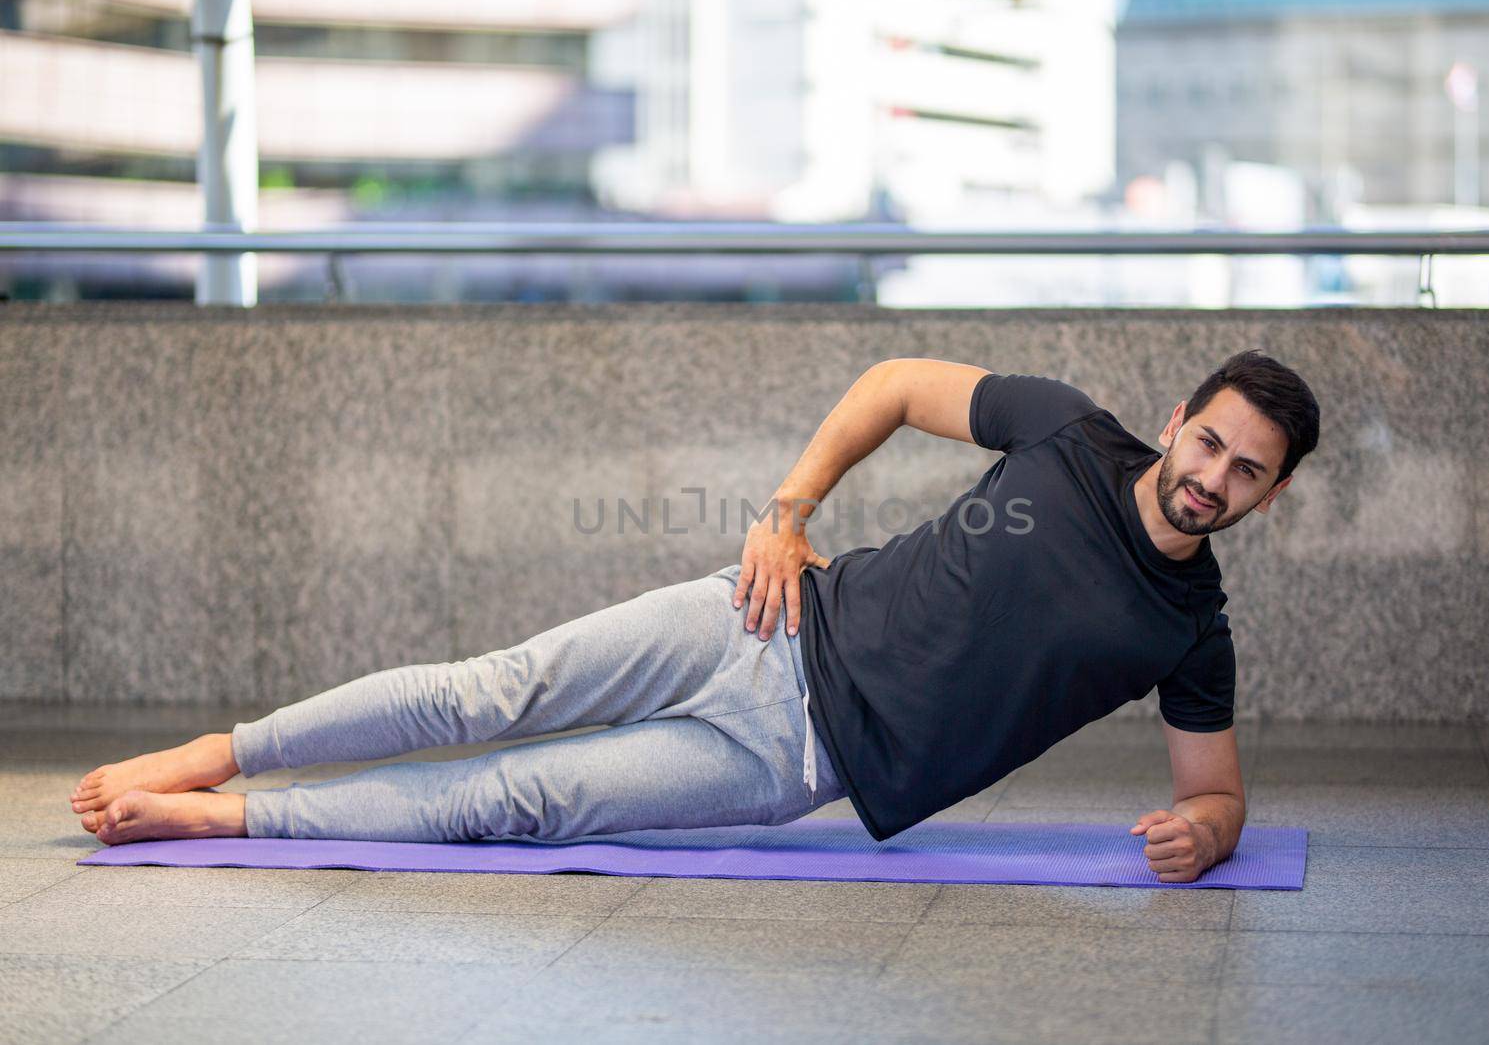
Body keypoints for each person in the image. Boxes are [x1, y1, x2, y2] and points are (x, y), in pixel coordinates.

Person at [70, 350, 1318, 883]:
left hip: (796, 757)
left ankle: (227, 814)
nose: (1211, 474)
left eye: (1245, 469)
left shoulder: (1189, 629)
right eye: (1207, 438)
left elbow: (1217, 792)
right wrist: (784, 510)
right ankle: (224, 746)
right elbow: (889, 385)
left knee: (519, 799)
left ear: (1269, 492)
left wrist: (1202, 838)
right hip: (768, 618)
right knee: (486, 691)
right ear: (1176, 418)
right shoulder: (1064, 427)